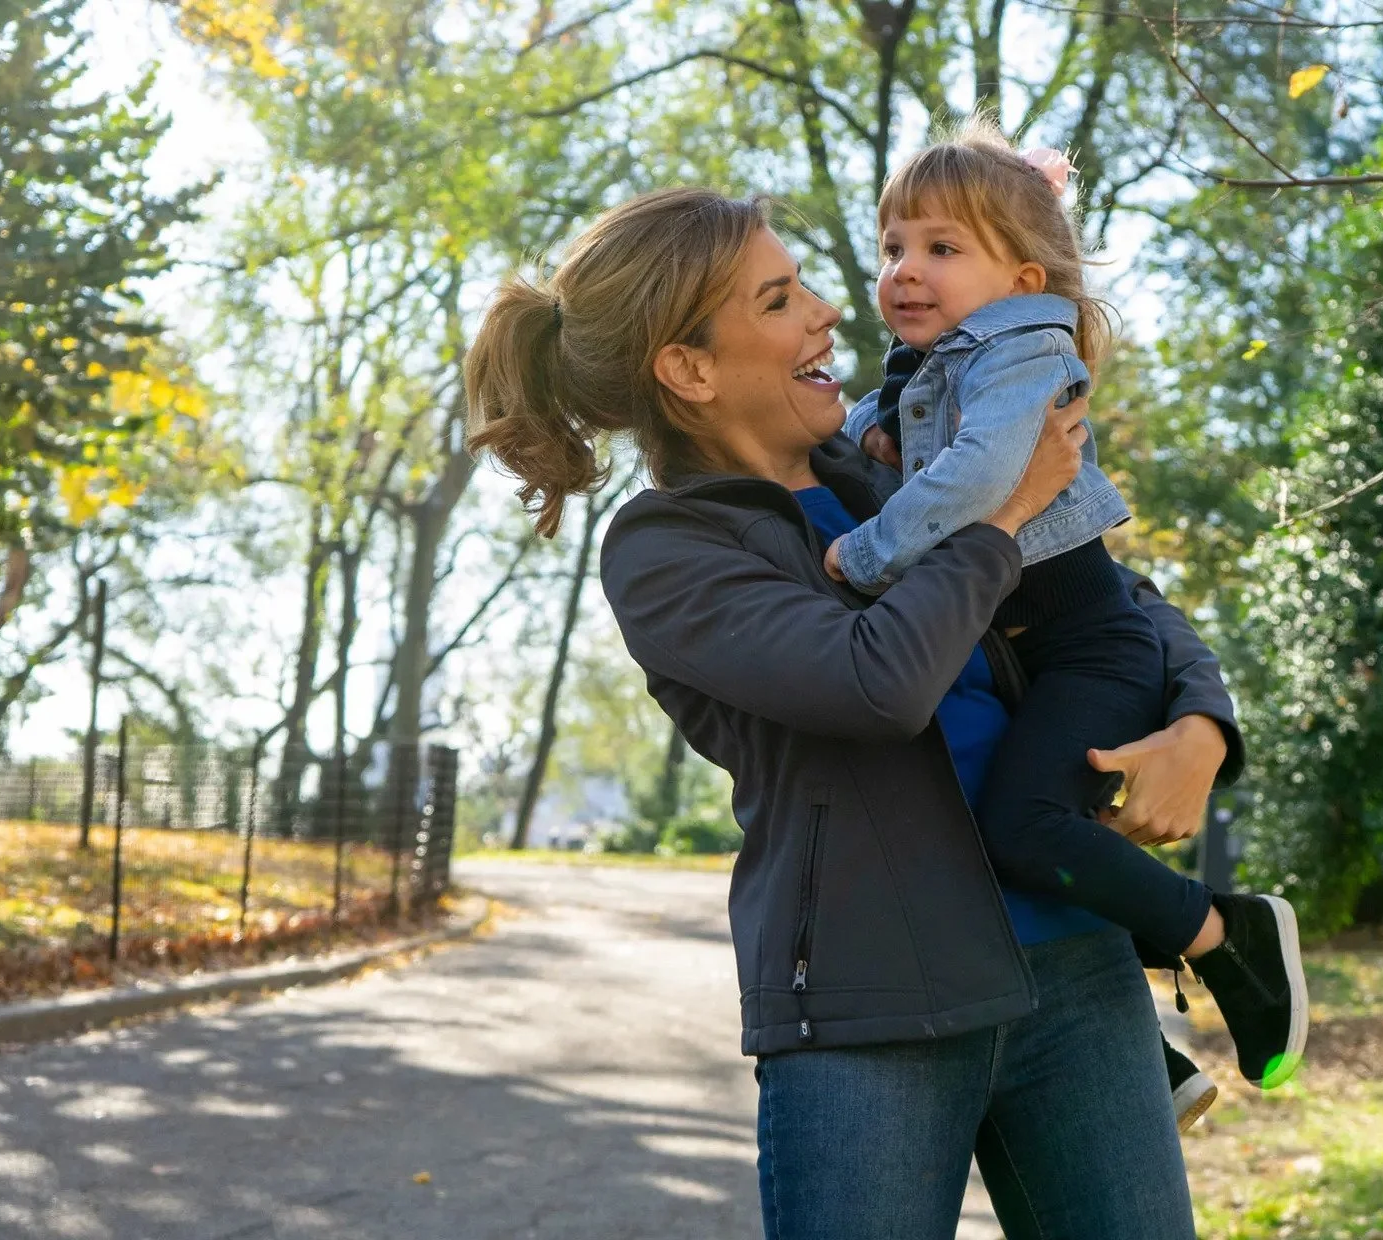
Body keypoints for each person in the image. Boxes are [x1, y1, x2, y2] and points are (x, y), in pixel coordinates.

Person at [465, 186, 1232, 1239]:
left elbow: (1111, 598)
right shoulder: (668, 550)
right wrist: (1002, 512)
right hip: (871, 1009)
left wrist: (1202, 725)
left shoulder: (898, 464)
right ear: (689, 369)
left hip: (1076, 974)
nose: (829, 311)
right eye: (778, 300)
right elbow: (876, 682)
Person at [833, 122, 1305, 1099]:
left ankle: (1226, 935)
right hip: (1030, 655)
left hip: (1086, 647)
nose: (904, 270)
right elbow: (879, 435)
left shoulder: (1022, 352)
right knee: (993, 828)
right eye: (892, 246)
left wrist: (864, 552)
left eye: (941, 247)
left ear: (1022, 279)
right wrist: (864, 442)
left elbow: (979, 476)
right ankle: (1147, 1054)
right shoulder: (926, 368)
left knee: (1023, 824)